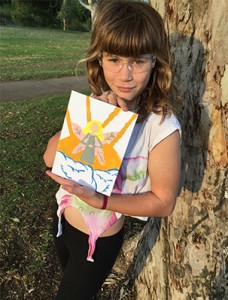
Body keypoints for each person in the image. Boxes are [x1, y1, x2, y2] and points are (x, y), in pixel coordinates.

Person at [43, 0, 181, 299]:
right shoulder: (97, 104)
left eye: (139, 61)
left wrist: (100, 199)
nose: (125, 75)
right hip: (62, 217)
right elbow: (50, 158)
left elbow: (163, 202)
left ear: (155, 61)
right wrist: (90, 115)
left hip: (98, 240)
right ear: (100, 59)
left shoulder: (160, 126)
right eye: (114, 59)